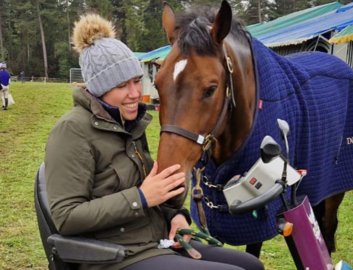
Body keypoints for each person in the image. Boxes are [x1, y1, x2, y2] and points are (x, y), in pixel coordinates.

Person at [44, 14, 264, 270]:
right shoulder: (72, 130)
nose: (135, 93)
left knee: (252, 265)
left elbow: (155, 195)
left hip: (156, 242)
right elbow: (66, 217)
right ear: (98, 89)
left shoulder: (131, 126)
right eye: (121, 85)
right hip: (115, 257)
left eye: (137, 81)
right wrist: (140, 197)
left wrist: (177, 216)